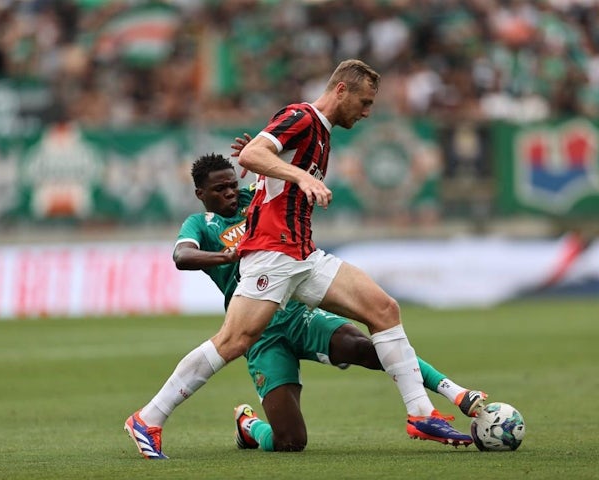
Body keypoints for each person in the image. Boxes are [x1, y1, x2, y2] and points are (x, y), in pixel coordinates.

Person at [124, 59, 472, 460]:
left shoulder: (321, 136)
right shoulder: (301, 116)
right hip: (272, 254)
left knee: (383, 308)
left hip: (303, 255)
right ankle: (148, 417)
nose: (367, 111)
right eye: (364, 101)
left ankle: (421, 414)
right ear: (341, 90)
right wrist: (301, 176)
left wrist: (279, 171)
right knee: (235, 340)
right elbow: (255, 153)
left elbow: (262, 172)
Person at [173, 151, 486, 453]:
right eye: (219, 189)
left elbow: (286, 178)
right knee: (290, 441)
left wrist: (260, 157)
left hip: (298, 313)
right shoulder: (200, 225)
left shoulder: (254, 200)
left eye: (232, 185)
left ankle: (454, 393)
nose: (230, 192)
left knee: (366, 346)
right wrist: (223, 256)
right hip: (258, 332)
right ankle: (249, 426)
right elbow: (181, 255)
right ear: (201, 193)